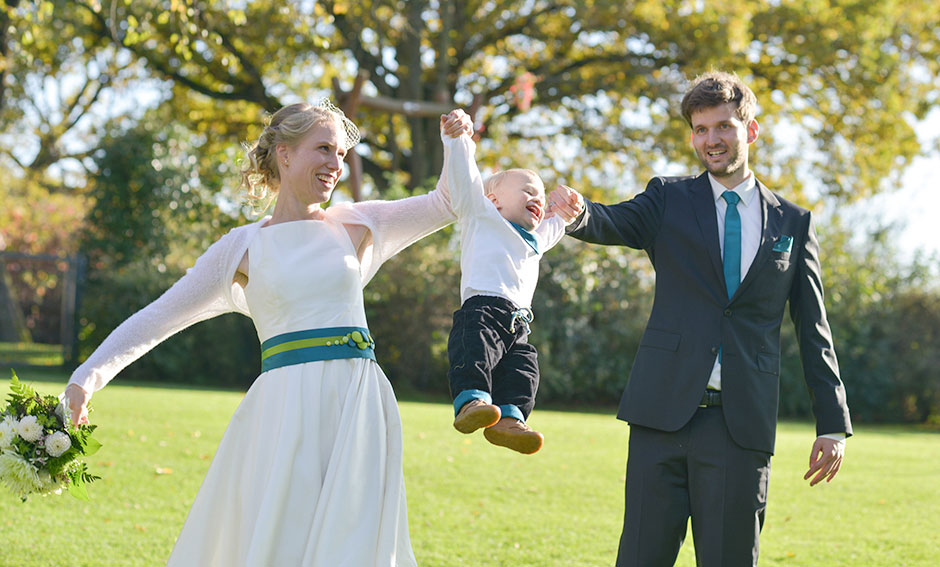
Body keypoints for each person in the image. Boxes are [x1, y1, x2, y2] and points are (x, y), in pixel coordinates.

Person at [63, 100, 474, 566]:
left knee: (354, 540)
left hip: (357, 402)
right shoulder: (242, 246)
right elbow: (159, 317)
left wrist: (456, 142)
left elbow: (448, 202)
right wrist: (86, 377)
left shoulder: (358, 224)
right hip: (284, 409)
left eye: (340, 154)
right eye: (323, 149)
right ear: (284, 153)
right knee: (283, 534)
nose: (335, 164)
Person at [547, 71, 852, 566]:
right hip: (660, 415)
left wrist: (832, 425)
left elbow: (813, 327)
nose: (711, 139)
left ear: (749, 131)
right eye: (701, 129)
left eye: (723, 127)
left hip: (740, 426)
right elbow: (613, 220)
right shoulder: (668, 199)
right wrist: (579, 212)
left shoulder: (794, 223)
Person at [442, 124, 577, 455]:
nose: (538, 199)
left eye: (541, 197)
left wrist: (568, 209)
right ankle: (471, 402)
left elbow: (557, 223)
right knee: (475, 352)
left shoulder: (535, 240)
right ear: (493, 200)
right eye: (528, 190)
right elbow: (464, 178)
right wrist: (458, 140)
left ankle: (510, 420)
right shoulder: (481, 215)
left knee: (524, 367)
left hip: (518, 324)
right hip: (482, 310)